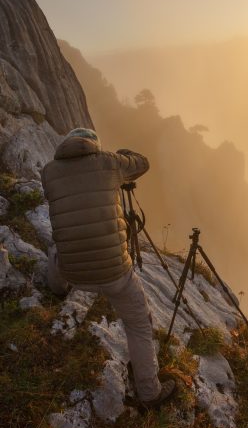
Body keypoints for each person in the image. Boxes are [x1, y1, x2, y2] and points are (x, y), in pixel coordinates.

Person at [41, 127, 175, 408]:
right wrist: (124, 155)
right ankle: (149, 393)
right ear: (94, 146)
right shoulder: (109, 162)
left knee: (55, 249)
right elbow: (143, 163)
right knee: (138, 324)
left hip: (74, 273)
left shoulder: (48, 172)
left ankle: (57, 288)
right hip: (115, 274)